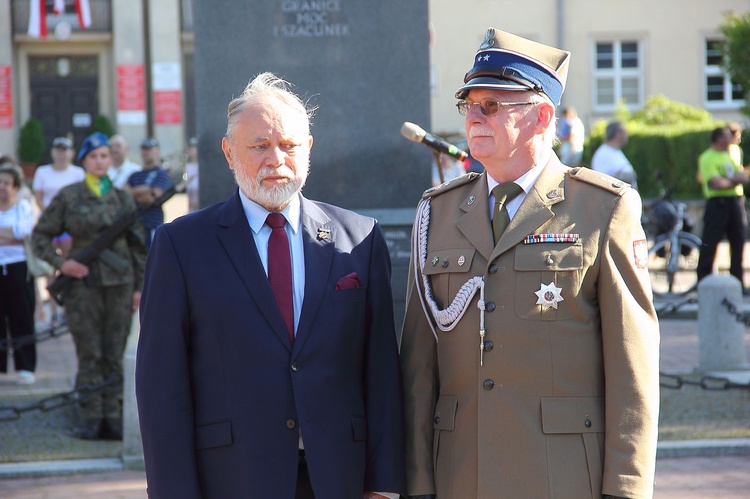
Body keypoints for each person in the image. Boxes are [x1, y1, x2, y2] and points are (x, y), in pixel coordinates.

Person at [400, 28, 660, 498]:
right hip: (461, 474)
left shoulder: (603, 209)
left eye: (493, 106)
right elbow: (419, 364)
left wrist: (626, 488)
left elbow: (632, 366)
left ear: (541, 116)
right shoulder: (436, 212)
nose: (474, 118)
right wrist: (417, 481)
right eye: (470, 105)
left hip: (561, 476)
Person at [135, 72, 405, 498]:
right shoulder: (181, 246)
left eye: (289, 145)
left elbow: (381, 371)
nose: (276, 159)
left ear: (309, 149)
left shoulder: (360, 239)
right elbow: (161, 388)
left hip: (339, 476)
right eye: (259, 146)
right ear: (228, 152)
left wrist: (385, 485)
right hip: (232, 478)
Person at [31, 132, 147, 440]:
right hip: (83, 288)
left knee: (115, 353)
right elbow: (40, 236)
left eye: (105, 156)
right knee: (89, 353)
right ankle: (91, 419)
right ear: (83, 161)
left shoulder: (123, 199)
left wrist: (139, 288)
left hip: (120, 287)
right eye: (94, 156)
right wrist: (61, 264)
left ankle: (115, 419)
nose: (100, 161)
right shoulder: (69, 196)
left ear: (111, 160)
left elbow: (139, 248)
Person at [31, 137, 85, 326]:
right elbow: (38, 197)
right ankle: (54, 309)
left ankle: (67, 308)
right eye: (58, 149)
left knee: (69, 262)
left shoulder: (77, 173)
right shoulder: (43, 172)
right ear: (53, 151)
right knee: (50, 267)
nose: (61, 153)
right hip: (50, 225)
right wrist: (52, 218)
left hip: (69, 227)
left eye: (65, 150)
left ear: (71, 153)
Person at [696, 126, 748, 290]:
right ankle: (703, 281)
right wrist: (732, 180)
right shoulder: (707, 157)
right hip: (717, 203)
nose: (732, 139)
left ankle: (737, 281)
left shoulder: (729, 154)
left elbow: (742, 177)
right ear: (719, 139)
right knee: (710, 242)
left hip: (735, 201)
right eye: (727, 136)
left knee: (738, 241)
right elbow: (717, 183)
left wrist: (729, 180)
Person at [0, 164, 37, 385]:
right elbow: (14, 235)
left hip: (17, 266)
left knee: (21, 315)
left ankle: (26, 366)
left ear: (15, 187)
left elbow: (24, 232)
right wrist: (10, 235)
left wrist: (11, 235)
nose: (2, 187)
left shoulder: (22, 206)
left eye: (6, 183)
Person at [123, 138, 171, 251]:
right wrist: (144, 189)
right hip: (133, 225)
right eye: (144, 149)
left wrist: (133, 192)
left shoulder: (162, 174)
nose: (146, 152)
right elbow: (124, 195)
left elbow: (153, 197)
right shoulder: (134, 175)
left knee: (152, 258)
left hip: (152, 224)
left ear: (157, 151)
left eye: (150, 149)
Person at [591, 120, 639, 190]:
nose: (627, 134)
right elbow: (601, 180)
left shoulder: (616, 150)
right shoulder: (603, 154)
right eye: (625, 131)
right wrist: (624, 177)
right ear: (618, 134)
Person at [185, 136, 200, 211]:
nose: (194, 150)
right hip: (191, 199)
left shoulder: (203, 166)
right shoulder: (187, 166)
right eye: (192, 148)